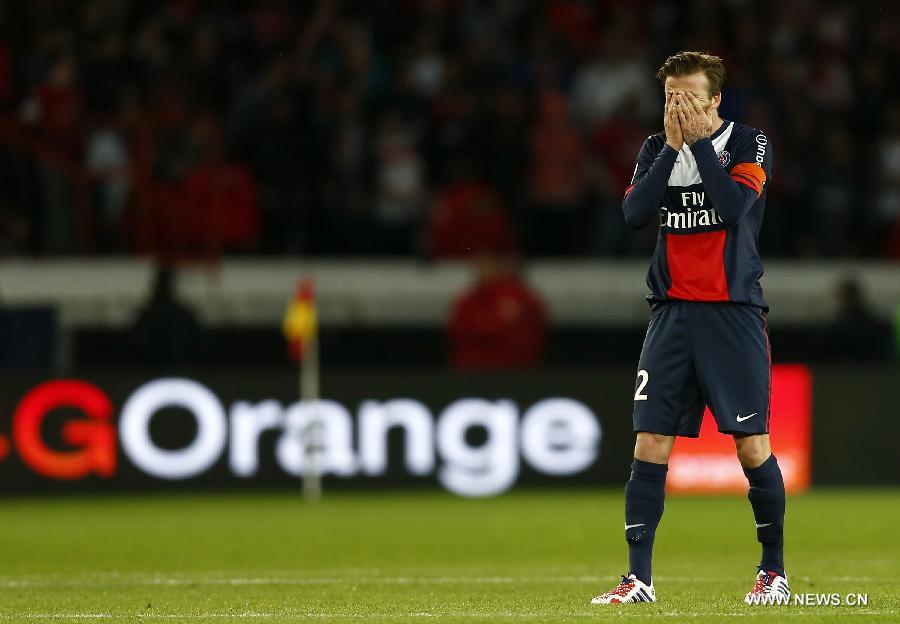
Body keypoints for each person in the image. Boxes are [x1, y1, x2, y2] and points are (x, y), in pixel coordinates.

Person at [591, 52, 787, 606]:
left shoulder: (750, 143)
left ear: (715, 100)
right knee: (651, 442)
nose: (677, 107)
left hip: (733, 312)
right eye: (670, 97)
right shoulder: (657, 149)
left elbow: (731, 208)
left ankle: (774, 571)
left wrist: (699, 145)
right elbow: (633, 215)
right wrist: (676, 146)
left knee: (752, 446)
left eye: (689, 97)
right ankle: (639, 580)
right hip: (671, 315)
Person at [446, 254, 546, 369]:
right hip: (471, 369)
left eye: (488, 264)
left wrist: (482, 329)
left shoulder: (519, 295)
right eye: (479, 265)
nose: (483, 270)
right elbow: (456, 332)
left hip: (513, 370)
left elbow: (523, 336)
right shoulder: (467, 298)